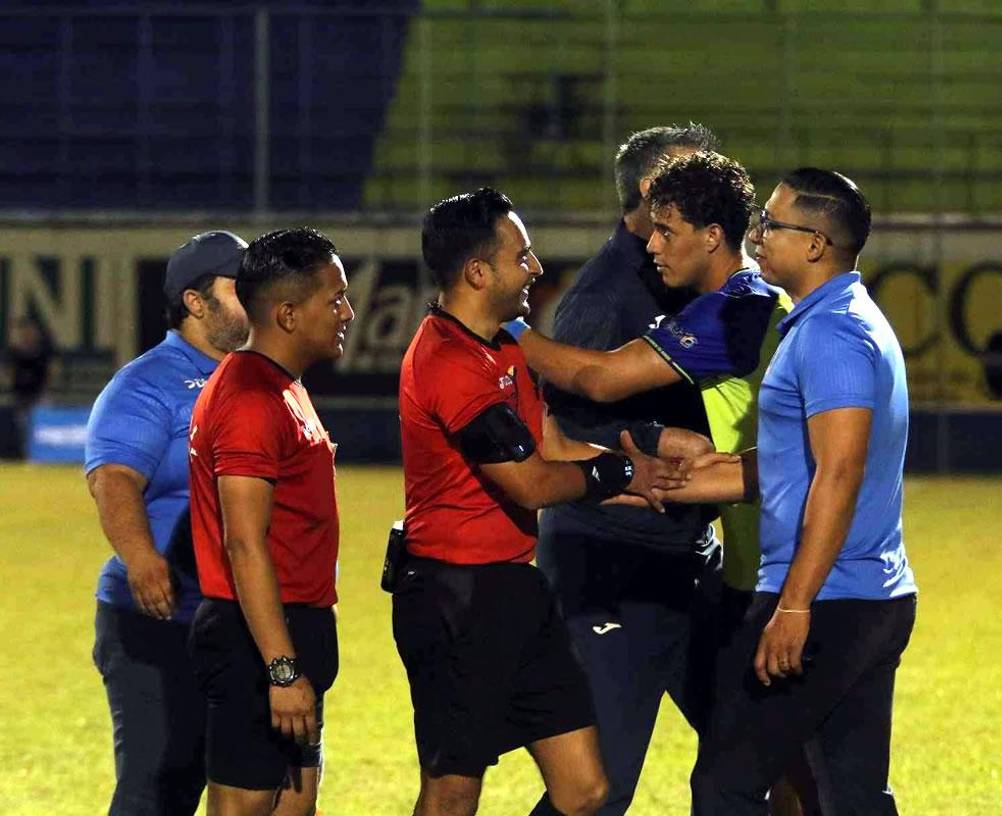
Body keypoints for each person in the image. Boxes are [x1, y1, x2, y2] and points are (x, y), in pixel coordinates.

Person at [393, 187, 682, 816]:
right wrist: (621, 472)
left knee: (585, 789)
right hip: (452, 598)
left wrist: (648, 476)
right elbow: (530, 482)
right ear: (478, 272)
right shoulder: (448, 360)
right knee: (452, 793)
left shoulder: (503, 345)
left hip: (513, 589)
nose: (536, 267)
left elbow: (552, 447)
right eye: (521, 256)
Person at [664, 169, 918, 815]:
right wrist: (673, 481)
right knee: (852, 797)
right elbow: (794, 462)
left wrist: (795, 605)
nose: (757, 236)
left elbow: (839, 472)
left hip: (827, 602)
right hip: (867, 596)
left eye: (772, 224)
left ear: (815, 244)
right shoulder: (838, 321)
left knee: (726, 785)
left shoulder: (833, 335)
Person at [518, 124, 725, 816]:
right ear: (651, 192)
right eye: (694, 177)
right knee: (597, 791)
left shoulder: (702, 282)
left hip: (690, 558)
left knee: (751, 756)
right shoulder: (605, 297)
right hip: (610, 563)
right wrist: (652, 441)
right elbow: (558, 429)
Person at [187, 227, 354, 816]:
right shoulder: (251, 399)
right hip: (255, 639)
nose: (347, 313)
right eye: (335, 299)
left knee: (294, 805)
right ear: (287, 314)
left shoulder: (281, 385)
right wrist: (282, 669)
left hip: (290, 627)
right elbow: (243, 543)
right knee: (245, 806)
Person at [85, 230, 249, 815]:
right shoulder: (147, 382)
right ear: (196, 303)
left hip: (241, 620)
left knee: (251, 791)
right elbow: (113, 477)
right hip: (158, 619)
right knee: (157, 792)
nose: (257, 296)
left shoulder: (265, 377)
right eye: (240, 287)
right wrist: (141, 559)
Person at [5, 315, 57, 457]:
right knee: (23, 429)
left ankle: (47, 454)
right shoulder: (15, 352)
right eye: (24, 331)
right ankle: (27, 455)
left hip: (40, 394)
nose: (27, 334)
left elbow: (52, 370)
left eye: (30, 331)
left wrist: (46, 388)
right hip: (21, 396)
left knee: (44, 426)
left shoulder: (43, 351)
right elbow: (8, 372)